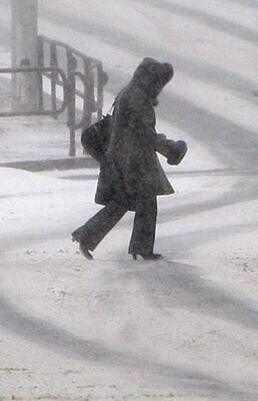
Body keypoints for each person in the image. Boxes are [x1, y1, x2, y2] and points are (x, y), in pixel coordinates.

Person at [71, 58, 186, 261]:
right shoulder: (138, 97)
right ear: (152, 80)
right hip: (134, 160)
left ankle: (87, 236)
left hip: (122, 156)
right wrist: (172, 149)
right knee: (147, 203)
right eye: (159, 83)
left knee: (123, 201)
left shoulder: (131, 92)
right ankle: (140, 248)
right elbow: (146, 133)